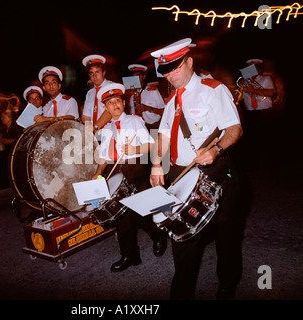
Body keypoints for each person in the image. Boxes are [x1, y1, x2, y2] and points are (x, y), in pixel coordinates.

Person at [149, 38, 244, 299]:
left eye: (175, 67)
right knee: (181, 236)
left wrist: (216, 149)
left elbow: (234, 128)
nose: (170, 75)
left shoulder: (213, 90)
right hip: (179, 175)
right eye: (166, 71)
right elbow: (164, 136)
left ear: (189, 62)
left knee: (226, 235)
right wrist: (157, 164)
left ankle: (227, 283)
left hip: (216, 173)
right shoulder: (170, 102)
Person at [91, 83, 167, 272]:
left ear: (124, 103)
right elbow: (104, 156)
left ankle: (157, 235)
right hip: (116, 173)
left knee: (140, 211)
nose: (114, 105)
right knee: (120, 217)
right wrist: (98, 172)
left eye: (118, 100)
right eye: (110, 103)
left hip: (136, 170)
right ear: (106, 108)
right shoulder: (107, 129)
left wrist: (135, 149)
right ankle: (130, 256)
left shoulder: (134, 121)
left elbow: (150, 144)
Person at [127, 64, 165, 130]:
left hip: (154, 127)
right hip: (139, 129)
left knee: (156, 140)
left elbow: (164, 111)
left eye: (137, 76)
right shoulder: (131, 96)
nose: (135, 79)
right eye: (133, 77)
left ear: (143, 76)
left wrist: (147, 108)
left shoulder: (153, 91)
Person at [81, 55, 113, 132]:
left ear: (104, 72)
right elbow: (86, 116)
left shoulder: (112, 87)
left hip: (110, 131)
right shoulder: (90, 93)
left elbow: (110, 111)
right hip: (95, 132)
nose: (94, 76)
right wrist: (90, 131)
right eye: (91, 73)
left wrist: (95, 127)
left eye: (97, 72)